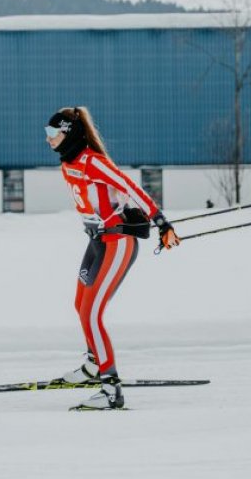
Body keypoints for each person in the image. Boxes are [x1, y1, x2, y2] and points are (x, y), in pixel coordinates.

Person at [45, 106, 181, 410]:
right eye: (47, 133)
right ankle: (94, 366)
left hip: (118, 242)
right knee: (81, 305)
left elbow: (128, 185)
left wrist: (161, 222)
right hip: (96, 242)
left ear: (68, 132)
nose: (49, 139)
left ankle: (111, 390)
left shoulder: (93, 162)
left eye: (53, 133)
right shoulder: (69, 163)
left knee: (91, 314)